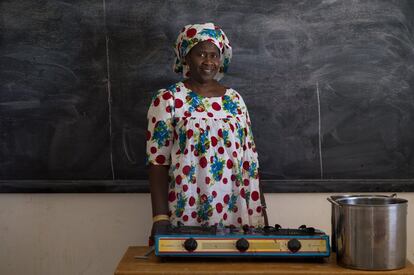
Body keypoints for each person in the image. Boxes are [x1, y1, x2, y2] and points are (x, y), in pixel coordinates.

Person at [146, 23, 268, 239]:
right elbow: (158, 162)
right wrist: (160, 217)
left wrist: (259, 213)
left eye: (214, 55)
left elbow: (250, 161)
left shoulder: (234, 100)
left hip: (235, 211)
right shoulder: (168, 99)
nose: (208, 62)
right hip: (188, 209)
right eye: (201, 54)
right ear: (186, 57)